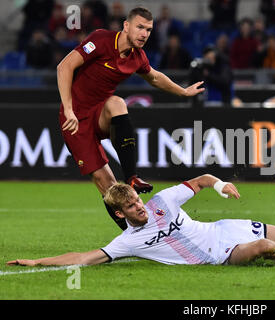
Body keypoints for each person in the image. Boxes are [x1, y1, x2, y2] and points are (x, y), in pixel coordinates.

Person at [7, 174, 275, 268]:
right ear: (120, 215)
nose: (140, 206)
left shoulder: (162, 200)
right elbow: (84, 257)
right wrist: (38, 261)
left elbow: (200, 181)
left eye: (137, 199)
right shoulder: (128, 242)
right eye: (132, 207)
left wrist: (221, 185)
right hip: (221, 254)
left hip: (226, 227)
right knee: (267, 248)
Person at [57, 7, 205, 230]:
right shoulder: (100, 40)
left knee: (117, 103)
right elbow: (64, 66)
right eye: (140, 27)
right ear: (126, 26)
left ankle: (132, 176)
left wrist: (183, 92)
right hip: (75, 119)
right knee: (107, 185)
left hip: (100, 114)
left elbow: (154, 77)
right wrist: (68, 109)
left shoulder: (138, 57)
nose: (144, 34)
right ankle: (134, 235)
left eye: (148, 29)